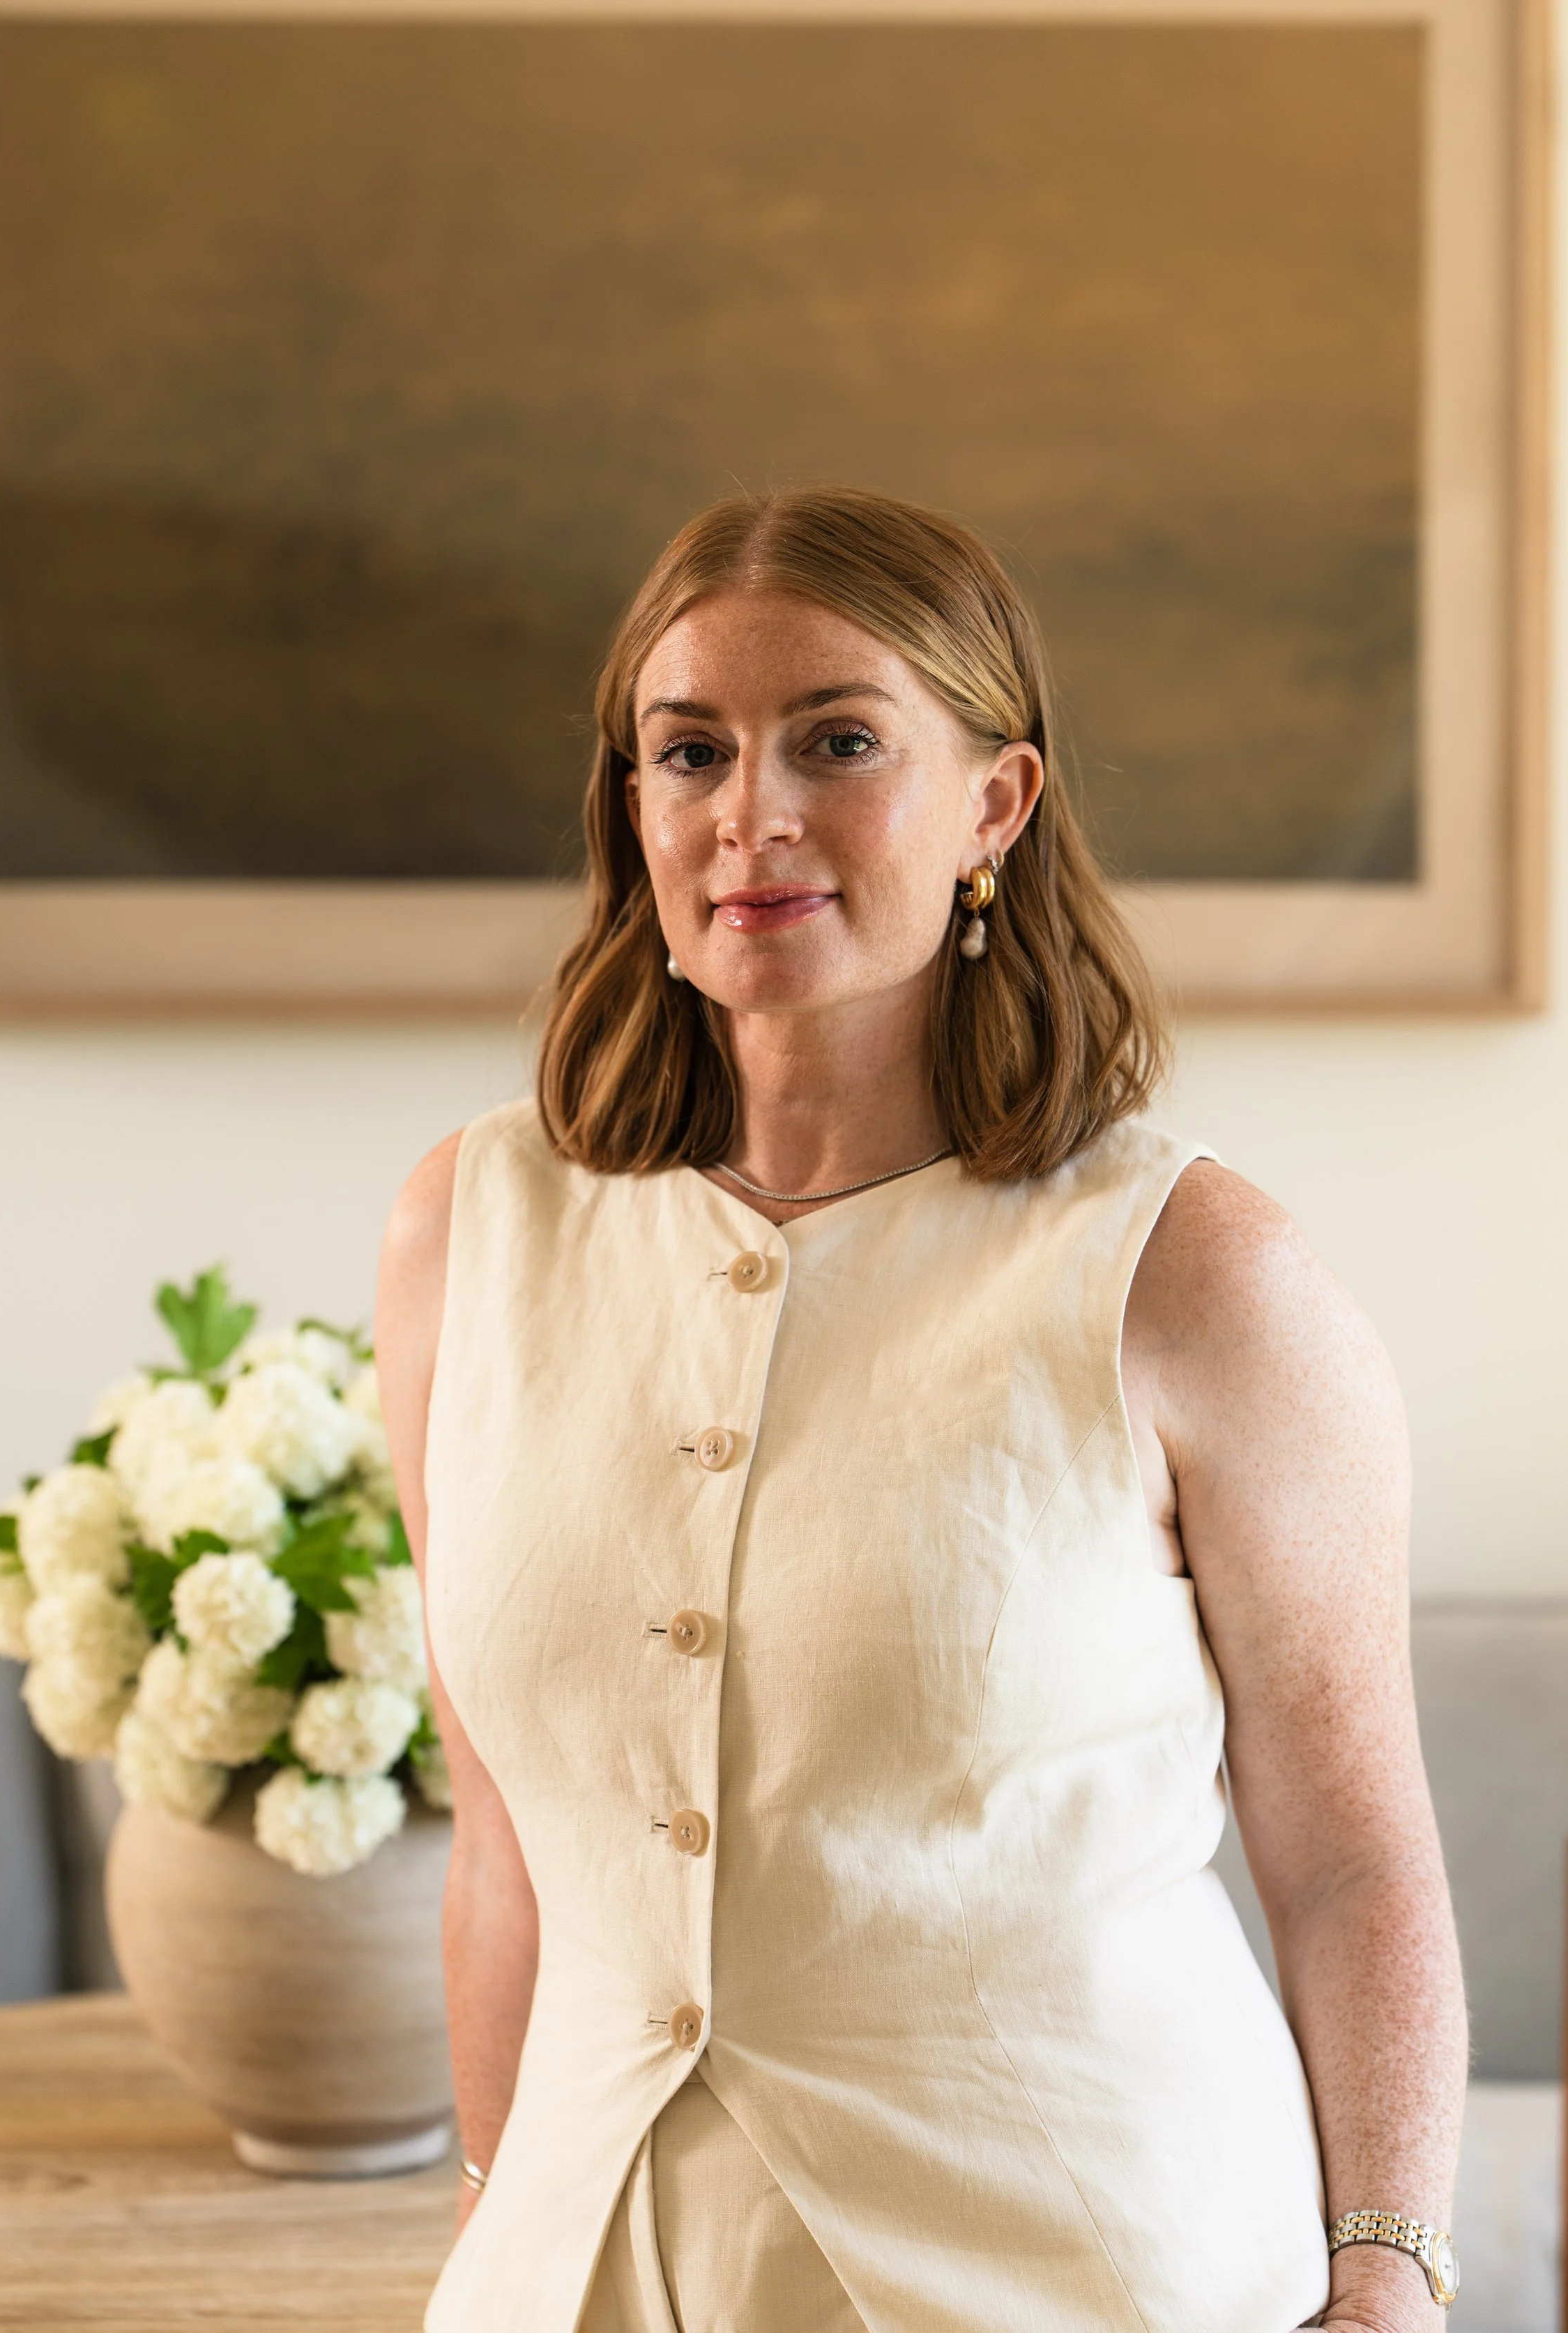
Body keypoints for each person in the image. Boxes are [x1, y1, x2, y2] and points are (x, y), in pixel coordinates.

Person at [374, 487, 1466, 2333]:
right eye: (688, 751)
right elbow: (504, 1842)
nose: (750, 814)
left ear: (994, 804)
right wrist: (491, 2230)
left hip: (1089, 2277)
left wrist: (1389, 2283)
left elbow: (1352, 1862)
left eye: (840, 740)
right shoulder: (465, 1236)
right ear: (628, 805)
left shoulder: (1196, 1272)